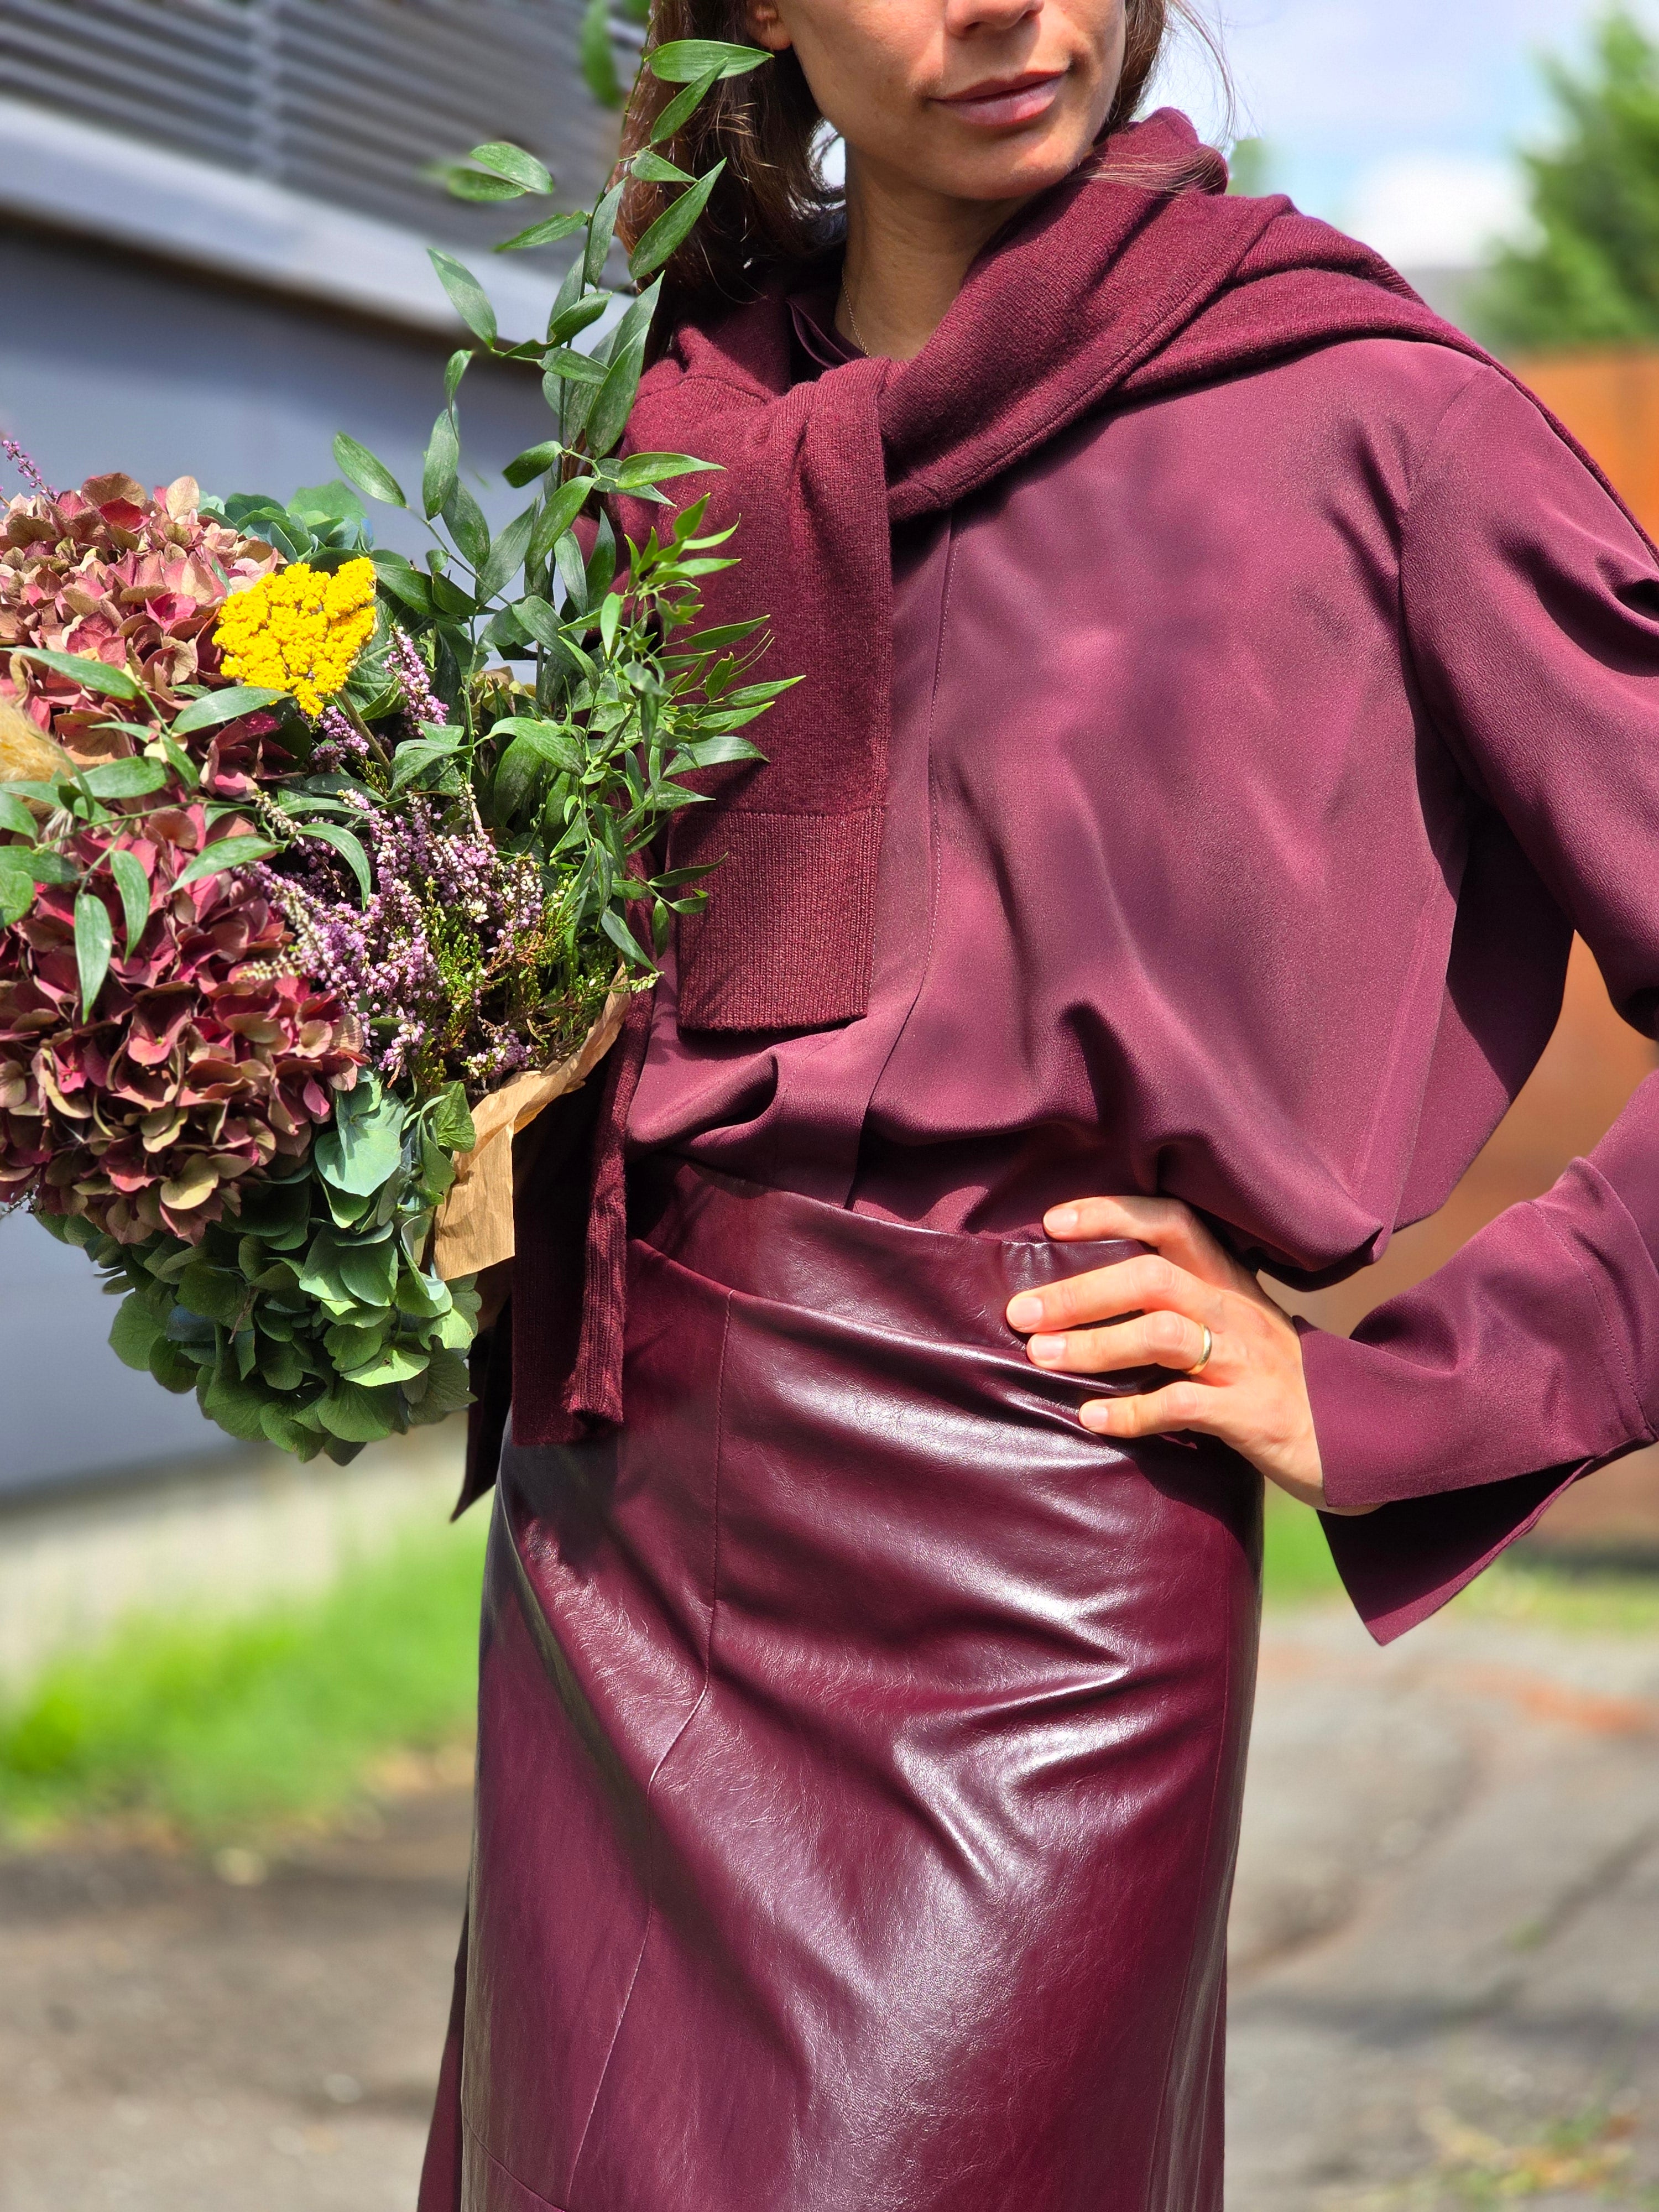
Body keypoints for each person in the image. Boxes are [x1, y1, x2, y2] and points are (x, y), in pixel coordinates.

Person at [421, 3, 1659, 2206]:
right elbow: (626, 956)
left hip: (1031, 1594)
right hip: (619, 1527)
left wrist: (1404, 1386)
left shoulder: (1366, 413)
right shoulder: (674, 432)